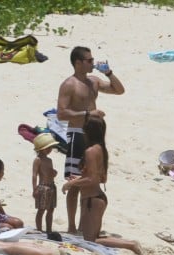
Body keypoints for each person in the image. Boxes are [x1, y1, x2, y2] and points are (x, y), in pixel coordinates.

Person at [57, 46, 125, 233]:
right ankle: (71, 225)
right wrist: (88, 113)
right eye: (89, 60)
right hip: (77, 133)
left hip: (94, 136)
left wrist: (109, 73)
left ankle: (84, 223)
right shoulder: (69, 84)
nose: (92, 63)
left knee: (92, 178)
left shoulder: (94, 81)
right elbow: (61, 113)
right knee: (75, 180)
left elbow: (119, 90)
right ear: (78, 63)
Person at [62, 115, 143, 255]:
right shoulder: (101, 149)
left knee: (91, 240)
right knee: (92, 236)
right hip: (97, 198)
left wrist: (72, 183)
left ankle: (130, 244)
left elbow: (92, 179)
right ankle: (129, 244)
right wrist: (81, 178)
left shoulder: (90, 151)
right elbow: (101, 178)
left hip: (92, 200)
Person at [32, 133, 59, 233]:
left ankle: (48, 230)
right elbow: (34, 175)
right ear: (41, 148)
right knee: (41, 210)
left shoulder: (49, 160)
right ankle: (39, 229)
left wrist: (54, 173)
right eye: (48, 147)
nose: (50, 149)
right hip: (43, 187)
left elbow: (50, 173)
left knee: (51, 209)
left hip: (51, 186)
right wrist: (34, 189)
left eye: (51, 147)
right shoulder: (37, 160)